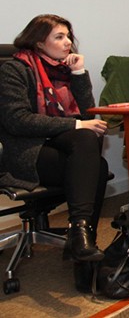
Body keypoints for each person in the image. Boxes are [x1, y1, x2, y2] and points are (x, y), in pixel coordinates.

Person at [0, 15, 109, 267]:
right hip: (24, 151)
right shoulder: (14, 69)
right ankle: (82, 242)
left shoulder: (65, 71)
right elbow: (17, 120)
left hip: (59, 146)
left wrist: (79, 73)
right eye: (59, 37)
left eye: (68, 36)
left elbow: (87, 115)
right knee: (97, 166)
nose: (68, 42)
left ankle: (80, 237)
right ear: (39, 42)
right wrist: (75, 125)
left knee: (90, 147)